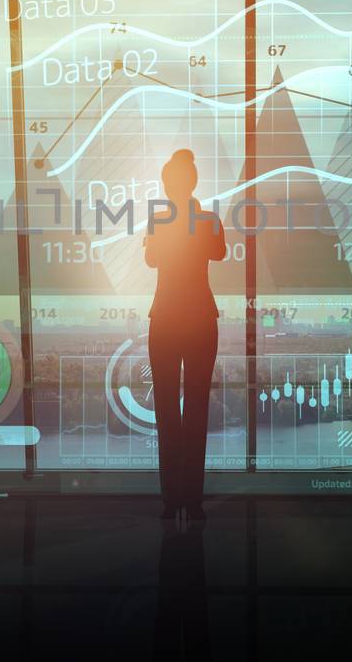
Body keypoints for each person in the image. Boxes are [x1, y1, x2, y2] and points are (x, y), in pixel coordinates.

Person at [143, 149, 226, 521]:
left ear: (167, 184)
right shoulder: (208, 219)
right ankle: (192, 499)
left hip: (165, 318)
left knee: (165, 409)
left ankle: (170, 498)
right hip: (200, 319)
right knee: (196, 409)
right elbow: (219, 252)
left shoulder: (159, 220)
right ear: (193, 183)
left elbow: (151, 260)